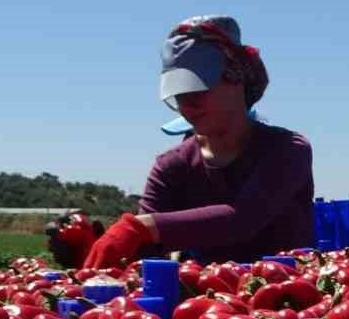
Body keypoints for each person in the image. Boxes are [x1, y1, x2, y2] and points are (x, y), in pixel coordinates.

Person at [78, 15, 314, 268]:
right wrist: (90, 248)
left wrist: (142, 228)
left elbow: (243, 219)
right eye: (178, 95)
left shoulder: (287, 150)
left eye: (197, 90)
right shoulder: (172, 167)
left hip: (290, 288)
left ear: (236, 77)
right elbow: (145, 248)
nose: (187, 105)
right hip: (208, 293)